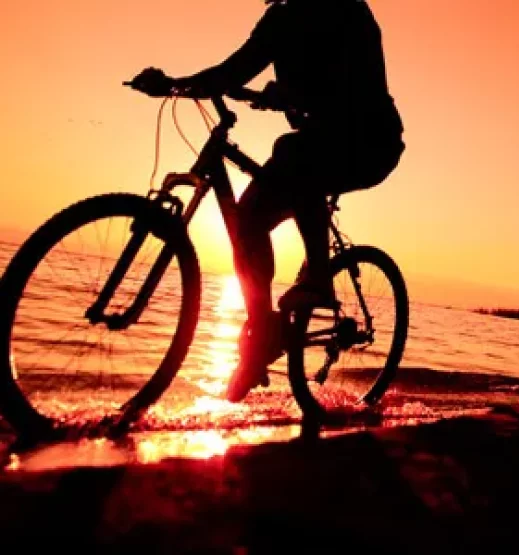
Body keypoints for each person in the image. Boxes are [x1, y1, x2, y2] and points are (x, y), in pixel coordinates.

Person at [129, 0, 405, 402]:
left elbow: (352, 85)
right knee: (247, 221)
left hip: (371, 143)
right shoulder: (279, 19)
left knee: (294, 152)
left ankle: (319, 280)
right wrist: (175, 84)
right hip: (320, 142)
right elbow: (233, 70)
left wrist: (292, 95)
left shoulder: (348, 10)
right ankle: (262, 334)